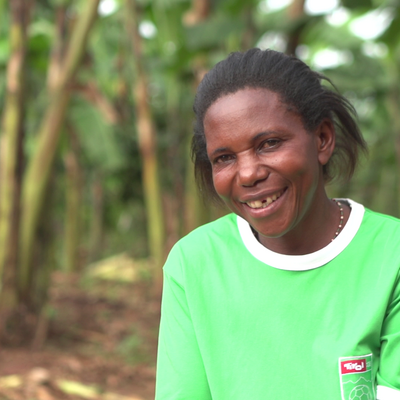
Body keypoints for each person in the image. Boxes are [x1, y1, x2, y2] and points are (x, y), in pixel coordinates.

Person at [155, 48, 400, 400]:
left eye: (269, 143)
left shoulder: (391, 255)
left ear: (322, 139)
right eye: (224, 158)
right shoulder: (194, 262)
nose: (249, 173)